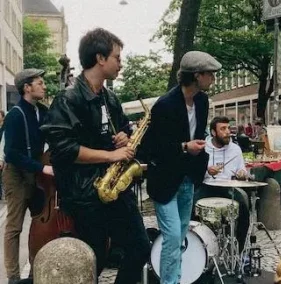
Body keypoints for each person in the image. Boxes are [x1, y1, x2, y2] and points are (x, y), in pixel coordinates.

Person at [41, 28, 150, 284]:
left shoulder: (110, 98)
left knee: (139, 247)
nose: (120, 64)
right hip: (84, 195)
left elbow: (123, 128)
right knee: (94, 258)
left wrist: (124, 135)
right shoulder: (67, 99)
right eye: (117, 58)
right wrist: (111, 156)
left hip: (113, 187)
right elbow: (64, 150)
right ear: (100, 58)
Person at [141, 50, 221, 284]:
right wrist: (185, 147)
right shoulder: (164, 105)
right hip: (165, 181)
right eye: (210, 74)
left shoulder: (202, 101)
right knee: (173, 236)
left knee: (181, 234)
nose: (213, 79)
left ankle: (175, 279)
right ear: (197, 75)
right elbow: (150, 147)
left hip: (188, 177)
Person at [3, 69, 54, 284]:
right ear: (27, 87)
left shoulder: (42, 111)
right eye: (40, 83)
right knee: (14, 226)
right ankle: (14, 277)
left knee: (38, 224)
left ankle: (36, 271)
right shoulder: (15, 115)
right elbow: (12, 153)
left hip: (35, 171)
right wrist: (41, 168)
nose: (44, 86)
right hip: (16, 174)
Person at [194, 116, 250, 251]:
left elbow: (241, 169)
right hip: (206, 185)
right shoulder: (203, 148)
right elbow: (194, 172)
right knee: (192, 206)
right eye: (223, 129)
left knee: (243, 207)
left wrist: (242, 173)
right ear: (213, 132)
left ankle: (240, 250)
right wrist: (206, 170)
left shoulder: (235, 149)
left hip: (228, 187)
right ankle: (197, 247)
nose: (227, 132)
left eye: (228, 128)